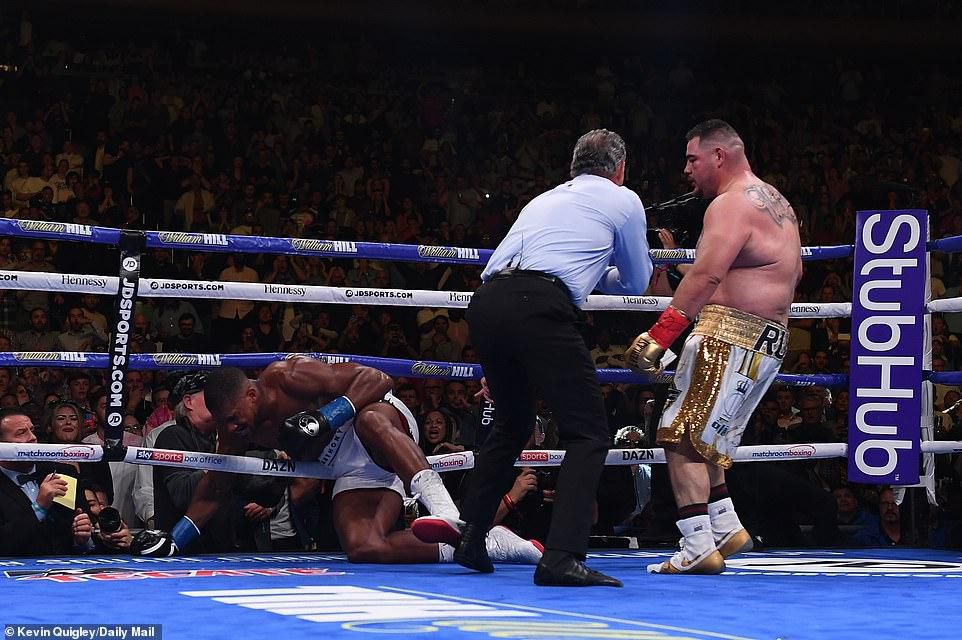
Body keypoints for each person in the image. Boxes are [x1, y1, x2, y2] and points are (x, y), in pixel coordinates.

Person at [414, 129, 652, 587]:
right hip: (539, 306)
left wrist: (596, 262)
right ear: (620, 169)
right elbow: (635, 283)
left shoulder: (543, 199)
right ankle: (561, 556)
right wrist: (612, 264)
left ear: (574, 166)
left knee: (512, 423)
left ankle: (471, 538)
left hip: (487, 303)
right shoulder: (624, 200)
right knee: (589, 432)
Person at [133, 360, 542, 566]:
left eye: (235, 418)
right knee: (364, 547)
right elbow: (216, 485)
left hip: (381, 428)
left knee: (369, 419)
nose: (232, 428)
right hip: (348, 467)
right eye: (224, 423)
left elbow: (379, 380)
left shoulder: (288, 377)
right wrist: (176, 539)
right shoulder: (236, 429)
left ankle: (449, 514)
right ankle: (490, 542)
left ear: (252, 394)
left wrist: (327, 417)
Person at [624, 119, 802, 574]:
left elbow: (707, 277)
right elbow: (765, 272)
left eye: (692, 159)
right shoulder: (775, 201)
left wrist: (660, 335)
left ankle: (696, 546)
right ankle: (725, 526)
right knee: (707, 436)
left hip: (728, 335)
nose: (687, 169)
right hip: (767, 340)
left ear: (719, 155)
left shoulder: (729, 204)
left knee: (678, 435)